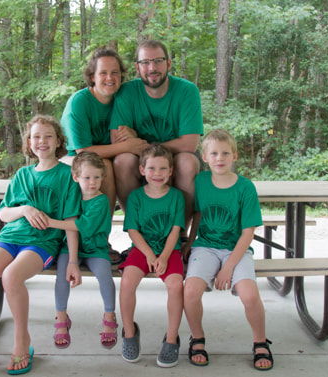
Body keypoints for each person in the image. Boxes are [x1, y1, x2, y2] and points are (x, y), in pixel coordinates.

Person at [0, 115, 81, 377]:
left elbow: (72, 222)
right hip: (10, 237)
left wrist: (71, 260)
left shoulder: (67, 176)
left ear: (59, 141)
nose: (42, 141)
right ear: (29, 142)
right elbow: (4, 214)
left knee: (11, 276)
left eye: (48, 136)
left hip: (42, 242)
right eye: (36, 136)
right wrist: (24, 209)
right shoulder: (22, 174)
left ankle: (22, 341)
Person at [182, 129, 274, 371]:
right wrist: (190, 242)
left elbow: (247, 233)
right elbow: (199, 213)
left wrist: (228, 268)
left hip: (237, 249)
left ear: (235, 156)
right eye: (214, 153)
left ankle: (260, 341)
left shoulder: (245, 188)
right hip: (206, 246)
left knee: (250, 296)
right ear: (204, 157)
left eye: (225, 153)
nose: (219, 158)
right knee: (190, 291)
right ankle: (197, 338)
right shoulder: (201, 181)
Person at [61, 46, 149, 263]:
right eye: (103, 73)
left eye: (115, 72)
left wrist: (131, 137)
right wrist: (127, 146)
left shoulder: (121, 98)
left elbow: (124, 138)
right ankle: (101, 241)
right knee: (105, 168)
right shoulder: (80, 102)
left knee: (116, 165)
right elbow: (82, 151)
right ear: (92, 77)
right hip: (70, 158)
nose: (110, 78)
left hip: (103, 156)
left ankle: (139, 237)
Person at [109, 39, 203, 237]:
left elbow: (189, 143)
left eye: (158, 61)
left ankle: (179, 236)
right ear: (137, 67)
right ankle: (138, 234)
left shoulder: (187, 91)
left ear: (168, 63)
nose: (152, 68)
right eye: (145, 62)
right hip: (140, 161)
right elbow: (116, 140)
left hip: (176, 158)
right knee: (122, 161)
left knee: (186, 162)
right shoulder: (127, 92)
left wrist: (139, 141)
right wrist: (138, 147)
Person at [40, 151, 118, 350]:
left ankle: (109, 317)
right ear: (76, 177)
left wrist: (50, 223)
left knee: (105, 275)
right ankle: (61, 317)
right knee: (62, 275)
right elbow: (69, 222)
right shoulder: (72, 194)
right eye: (87, 177)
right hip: (70, 248)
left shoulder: (100, 201)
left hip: (95, 249)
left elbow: (78, 225)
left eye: (97, 177)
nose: (92, 182)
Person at [118, 144, 185, 368]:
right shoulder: (136, 197)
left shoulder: (177, 197)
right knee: (127, 282)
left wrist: (164, 256)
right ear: (142, 170)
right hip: (142, 248)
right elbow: (133, 230)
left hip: (168, 249)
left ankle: (172, 338)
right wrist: (148, 253)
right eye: (152, 168)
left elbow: (176, 229)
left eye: (163, 169)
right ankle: (129, 333)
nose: (158, 174)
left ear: (171, 171)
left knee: (176, 286)